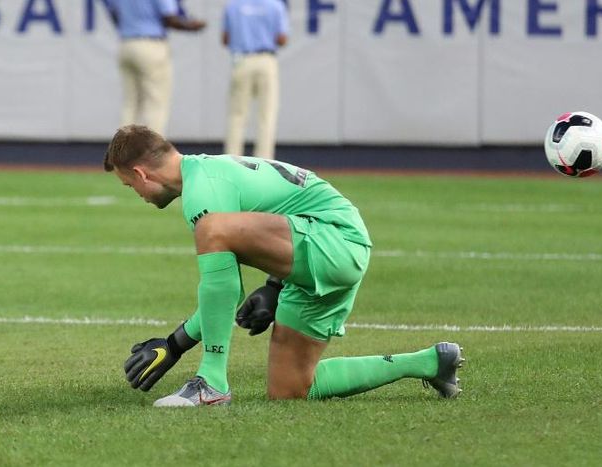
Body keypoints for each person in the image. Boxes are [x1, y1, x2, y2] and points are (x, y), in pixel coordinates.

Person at [104, 125, 465, 406]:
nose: (136, 194)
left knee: (212, 229)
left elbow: (228, 293)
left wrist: (175, 344)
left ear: (141, 173)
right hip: (326, 251)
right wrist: (275, 286)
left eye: (129, 185)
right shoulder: (206, 171)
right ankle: (430, 362)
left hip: (333, 240)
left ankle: (211, 384)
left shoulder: (203, 191)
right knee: (291, 389)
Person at [106, 0, 207, 136]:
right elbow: (170, 18)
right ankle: (152, 154)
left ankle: (121, 153)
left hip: (126, 43)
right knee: (155, 103)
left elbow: (114, 14)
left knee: (130, 104)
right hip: (151, 44)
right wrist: (191, 26)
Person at [222, 0, 289, 159]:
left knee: (237, 115)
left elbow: (225, 38)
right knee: (267, 115)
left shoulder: (233, 5)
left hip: (242, 60)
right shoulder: (275, 5)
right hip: (266, 60)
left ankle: (232, 161)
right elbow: (282, 39)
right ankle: (265, 162)